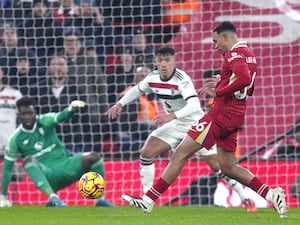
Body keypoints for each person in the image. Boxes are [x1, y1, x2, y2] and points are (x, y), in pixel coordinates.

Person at [120, 22, 288, 218]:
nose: (216, 46)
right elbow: (247, 87)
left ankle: (148, 200)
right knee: (228, 166)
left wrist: (219, 90)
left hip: (221, 115)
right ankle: (270, 193)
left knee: (180, 154)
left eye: (216, 41)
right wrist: (224, 82)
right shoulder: (248, 53)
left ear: (226, 37)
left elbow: (242, 78)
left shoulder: (233, 54)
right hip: (236, 114)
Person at [107, 45, 256, 212]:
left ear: (174, 61)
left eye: (167, 60)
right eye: (160, 60)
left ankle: (245, 198)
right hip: (176, 124)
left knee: (217, 165)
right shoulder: (152, 78)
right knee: (146, 152)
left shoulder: (181, 79)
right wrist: (119, 104)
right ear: (156, 61)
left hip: (196, 122)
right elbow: (137, 89)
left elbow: (194, 104)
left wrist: (171, 116)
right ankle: (146, 197)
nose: (163, 64)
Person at [0, 96, 114, 207]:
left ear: (35, 113)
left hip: (67, 166)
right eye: (24, 114)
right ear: (18, 116)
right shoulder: (15, 138)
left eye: (30, 113)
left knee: (93, 157)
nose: (27, 117)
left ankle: (100, 199)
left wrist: (71, 109)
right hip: (48, 176)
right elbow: (7, 168)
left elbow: (61, 116)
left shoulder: (45, 121)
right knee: (28, 161)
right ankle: (53, 198)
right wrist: (3, 196)